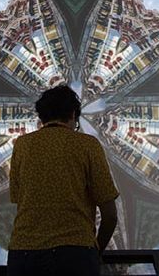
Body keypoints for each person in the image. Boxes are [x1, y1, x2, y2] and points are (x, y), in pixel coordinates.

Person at [7, 84, 119, 276]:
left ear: (42, 116)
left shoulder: (22, 145)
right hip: (76, 254)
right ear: (73, 114)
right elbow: (110, 215)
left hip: (24, 254)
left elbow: (18, 197)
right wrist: (95, 251)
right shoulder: (88, 145)